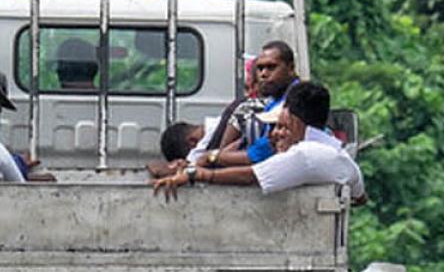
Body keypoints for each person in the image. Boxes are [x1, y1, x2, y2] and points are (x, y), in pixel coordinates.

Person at [151, 82, 363, 202]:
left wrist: (196, 174)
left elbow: (250, 175)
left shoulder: (304, 155)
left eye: (281, 126)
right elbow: (360, 197)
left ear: (296, 124)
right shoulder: (339, 154)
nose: (274, 135)